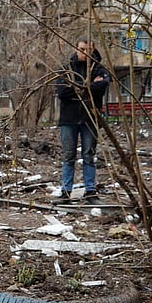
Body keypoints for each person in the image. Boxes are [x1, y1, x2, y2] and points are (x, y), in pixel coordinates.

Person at [54, 37, 110, 204]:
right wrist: (88, 87)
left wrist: (76, 88)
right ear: (76, 49)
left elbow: (101, 89)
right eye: (82, 49)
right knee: (68, 156)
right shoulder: (66, 70)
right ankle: (66, 191)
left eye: (89, 50)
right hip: (69, 119)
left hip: (90, 118)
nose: (86, 53)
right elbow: (62, 93)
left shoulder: (99, 70)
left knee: (89, 155)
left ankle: (91, 192)